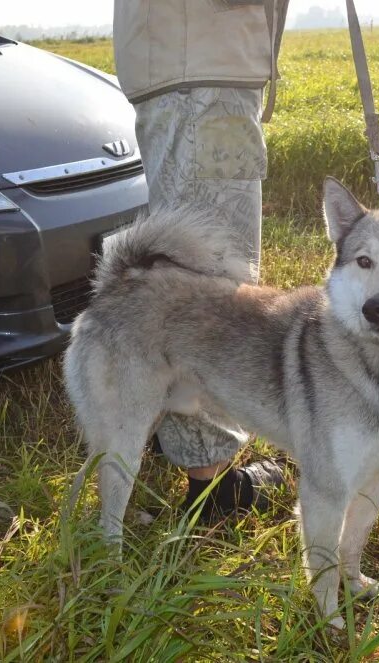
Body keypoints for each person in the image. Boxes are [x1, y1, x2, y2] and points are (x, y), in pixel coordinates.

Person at [113, 0, 291, 518]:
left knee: (181, 269)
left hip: (182, 62)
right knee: (216, 285)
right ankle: (211, 487)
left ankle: (166, 434)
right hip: (206, 68)